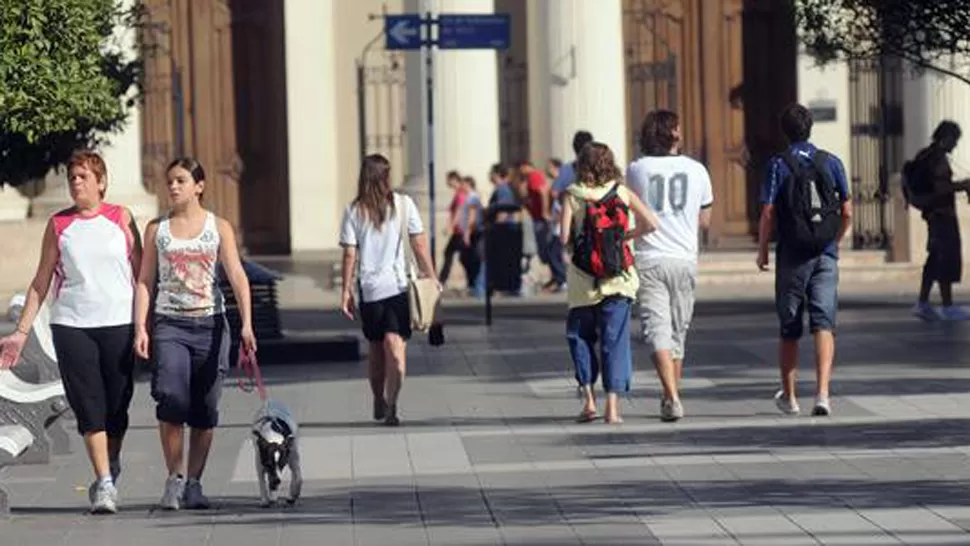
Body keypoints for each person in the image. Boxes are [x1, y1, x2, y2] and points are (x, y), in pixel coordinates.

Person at [0, 151, 141, 514]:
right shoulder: (59, 224)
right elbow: (41, 281)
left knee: (117, 407)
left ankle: (111, 462)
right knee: (89, 405)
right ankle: (104, 483)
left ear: (101, 182)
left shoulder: (121, 218)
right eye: (72, 177)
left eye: (83, 176)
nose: (76, 182)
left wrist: (146, 324)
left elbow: (142, 276)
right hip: (72, 326)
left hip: (120, 323)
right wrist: (20, 332)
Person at [134, 157, 256, 511]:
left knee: (205, 407)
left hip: (211, 324)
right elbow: (145, 280)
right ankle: (174, 478)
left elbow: (237, 275)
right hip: (169, 324)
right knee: (171, 399)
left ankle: (194, 483)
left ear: (199, 186)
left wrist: (247, 323)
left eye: (181, 180)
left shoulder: (219, 227)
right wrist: (140, 326)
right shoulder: (157, 229)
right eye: (170, 181)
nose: (173, 187)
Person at [757, 103, 852, 417]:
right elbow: (847, 210)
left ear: (784, 131)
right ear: (810, 128)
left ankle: (790, 396)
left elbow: (768, 212)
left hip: (792, 255)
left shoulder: (777, 164)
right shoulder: (831, 161)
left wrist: (762, 250)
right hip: (825, 253)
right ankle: (822, 394)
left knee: (790, 325)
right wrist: (835, 241)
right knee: (824, 323)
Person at [560, 143, 658, 424]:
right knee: (614, 342)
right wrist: (625, 236)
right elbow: (651, 223)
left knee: (580, 338)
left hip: (583, 282)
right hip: (619, 279)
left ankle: (589, 401)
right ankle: (612, 408)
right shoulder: (622, 192)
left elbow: (563, 238)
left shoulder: (573, 195)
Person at [627, 110, 714, 422]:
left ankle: (671, 396)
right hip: (684, 258)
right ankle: (671, 395)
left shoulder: (637, 169)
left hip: (650, 257)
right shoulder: (697, 170)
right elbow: (705, 221)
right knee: (678, 331)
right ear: (674, 134)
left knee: (656, 328)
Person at [339, 154, 438, 427]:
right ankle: (388, 401)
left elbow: (350, 254)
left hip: (371, 290)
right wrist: (432, 276)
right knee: (392, 345)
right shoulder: (404, 205)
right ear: (386, 176)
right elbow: (419, 244)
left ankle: (384, 401)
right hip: (396, 287)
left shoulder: (354, 210)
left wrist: (346, 290)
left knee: (380, 346)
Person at [906, 121, 970, 321]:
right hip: (942, 215)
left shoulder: (926, 155)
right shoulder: (938, 159)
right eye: (954, 140)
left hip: (933, 214)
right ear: (946, 138)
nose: (956, 145)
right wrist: (963, 185)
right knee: (945, 257)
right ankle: (947, 305)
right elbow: (941, 188)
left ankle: (923, 302)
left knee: (934, 258)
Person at [521, 159, 567, 292]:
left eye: (550, 167)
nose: (547, 170)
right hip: (554, 224)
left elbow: (544, 192)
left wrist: (545, 212)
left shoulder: (537, 177)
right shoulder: (554, 182)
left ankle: (561, 279)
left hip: (556, 225)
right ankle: (558, 278)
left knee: (552, 252)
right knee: (552, 252)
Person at [438, 171, 467, 286]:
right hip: (459, 231)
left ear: (454, 179)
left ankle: (442, 280)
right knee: (456, 255)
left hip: (460, 231)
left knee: (450, 253)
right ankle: (442, 280)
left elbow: (459, 212)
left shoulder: (460, 194)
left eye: (448, 180)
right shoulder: (460, 193)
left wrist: (450, 226)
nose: (447, 183)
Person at [458, 176, 485, 298]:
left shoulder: (472, 197)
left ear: (468, 184)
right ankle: (473, 284)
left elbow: (472, 216)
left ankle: (475, 285)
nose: (461, 186)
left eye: (463, 184)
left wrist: (467, 233)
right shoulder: (470, 197)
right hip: (471, 232)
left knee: (470, 258)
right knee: (467, 258)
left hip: (473, 233)